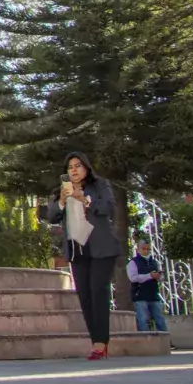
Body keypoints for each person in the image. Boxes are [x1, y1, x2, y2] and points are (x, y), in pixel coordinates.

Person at [44, 151, 122, 360]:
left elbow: (108, 208)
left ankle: (100, 343)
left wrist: (85, 200)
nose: (74, 170)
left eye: (78, 166)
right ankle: (95, 340)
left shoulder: (99, 186)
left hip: (101, 248)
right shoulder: (61, 190)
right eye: (70, 167)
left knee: (98, 292)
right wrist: (61, 201)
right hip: (77, 249)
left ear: (86, 168)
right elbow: (51, 216)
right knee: (85, 297)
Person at [127, 237, 169, 335]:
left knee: (160, 319)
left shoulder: (154, 262)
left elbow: (161, 277)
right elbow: (133, 278)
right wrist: (149, 276)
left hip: (154, 295)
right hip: (140, 295)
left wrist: (159, 276)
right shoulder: (133, 263)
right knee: (143, 320)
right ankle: (146, 341)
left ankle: (165, 341)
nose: (146, 251)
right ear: (138, 249)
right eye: (143, 248)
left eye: (148, 249)